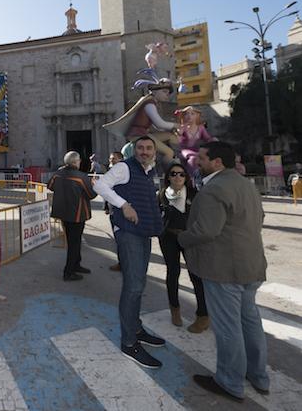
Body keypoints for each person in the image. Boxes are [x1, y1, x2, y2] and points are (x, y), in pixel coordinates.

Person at [178, 142, 268, 402]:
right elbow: (260, 218)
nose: (197, 162)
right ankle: (258, 376)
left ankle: (230, 381)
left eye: (202, 158)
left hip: (224, 269)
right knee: (250, 322)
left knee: (229, 327)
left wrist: (181, 238)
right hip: (251, 265)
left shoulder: (214, 189)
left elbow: (205, 231)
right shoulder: (246, 185)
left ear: (217, 162)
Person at [93, 136, 166, 368]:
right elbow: (99, 185)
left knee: (139, 284)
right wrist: (123, 205)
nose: (144, 151)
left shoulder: (147, 171)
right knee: (133, 286)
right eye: (140, 148)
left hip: (141, 231)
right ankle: (129, 342)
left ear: (154, 152)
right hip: (128, 232)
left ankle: (136, 329)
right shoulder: (124, 167)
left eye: (149, 148)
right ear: (134, 150)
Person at [157, 163, 208, 332]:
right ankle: (175, 310)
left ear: (186, 177)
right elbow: (156, 215)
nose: (177, 177)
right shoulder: (162, 195)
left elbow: (203, 216)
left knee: (196, 275)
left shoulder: (195, 194)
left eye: (181, 174)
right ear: (168, 177)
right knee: (173, 272)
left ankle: (203, 315)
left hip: (189, 238)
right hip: (168, 238)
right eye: (173, 174)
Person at [103, 71, 178, 162]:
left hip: (144, 133)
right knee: (169, 152)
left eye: (168, 93)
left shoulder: (152, 102)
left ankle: (178, 154)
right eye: (164, 92)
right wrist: (176, 125)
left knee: (171, 136)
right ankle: (168, 168)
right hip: (138, 135)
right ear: (154, 91)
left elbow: (156, 126)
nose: (167, 95)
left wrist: (170, 128)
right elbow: (159, 124)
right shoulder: (149, 104)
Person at [48, 151, 97, 281]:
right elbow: (91, 195)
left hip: (63, 212)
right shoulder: (81, 177)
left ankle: (76, 264)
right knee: (74, 243)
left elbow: (50, 186)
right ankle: (69, 272)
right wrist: (93, 185)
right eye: (79, 160)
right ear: (75, 162)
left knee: (73, 240)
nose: (80, 162)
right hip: (77, 214)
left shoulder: (57, 174)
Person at [106, 151, 124, 272]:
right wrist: (106, 207)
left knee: (122, 238)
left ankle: (123, 263)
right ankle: (122, 261)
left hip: (121, 211)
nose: (111, 160)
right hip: (113, 210)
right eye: (110, 158)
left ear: (121, 160)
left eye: (114, 158)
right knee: (118, 238)